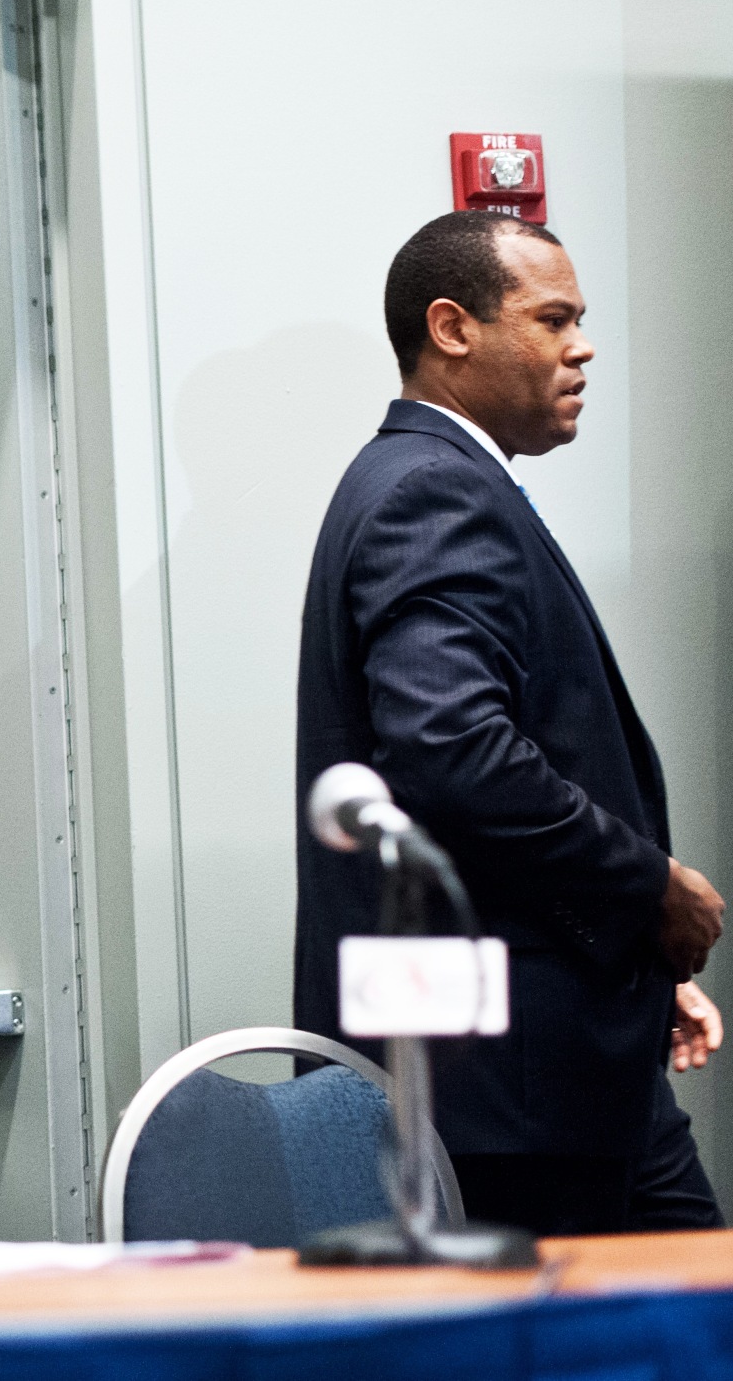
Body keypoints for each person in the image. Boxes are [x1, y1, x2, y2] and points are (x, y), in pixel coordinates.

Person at [295, 210, 726, 1236]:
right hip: (509, 1094)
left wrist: (634, 956)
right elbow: (453, 755)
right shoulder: (434, 490)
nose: (582, 348)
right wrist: (648, 886)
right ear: (452, 328)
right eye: (552, 320)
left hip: (568, 1056)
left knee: (694, 1295)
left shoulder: (434, 480)